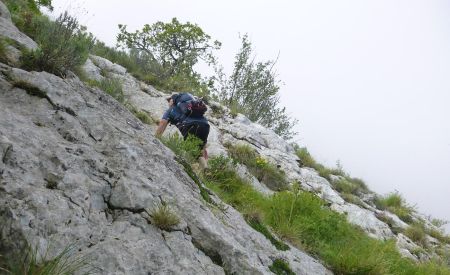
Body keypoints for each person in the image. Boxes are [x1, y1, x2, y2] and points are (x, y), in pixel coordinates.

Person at [156, 93, 210, 167]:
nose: (168, 103)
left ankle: (199, 169)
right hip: (205, 126)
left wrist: (156, 139)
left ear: (172, 100)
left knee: (192, 153)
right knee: (199, 152)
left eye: (169, 101)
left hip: (190, 126)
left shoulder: (171, 110)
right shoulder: (191, 103)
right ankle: (205, 169)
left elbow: (163, 123)